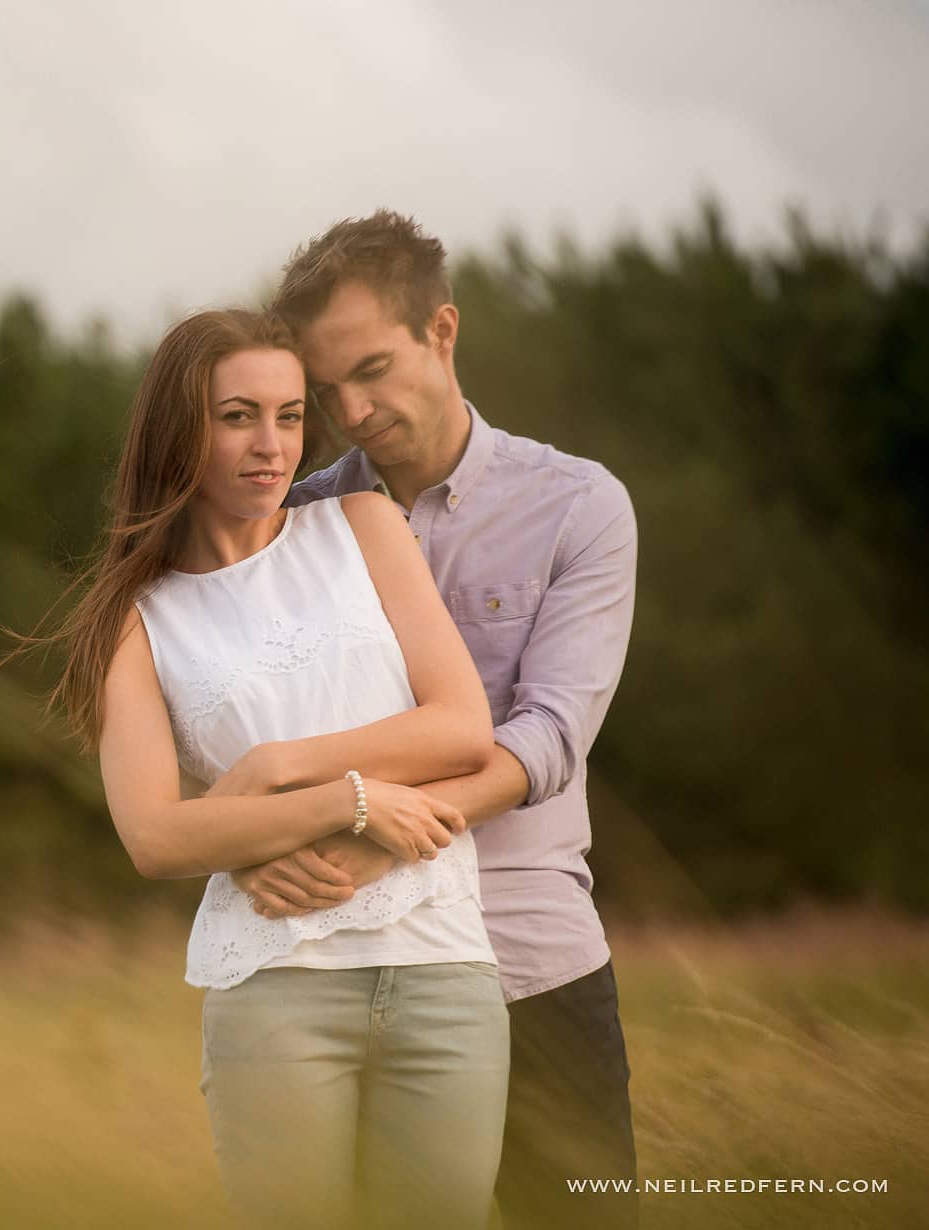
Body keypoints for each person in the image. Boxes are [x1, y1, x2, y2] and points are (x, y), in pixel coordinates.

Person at [21, 307, 510, 1226]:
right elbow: (158, 837)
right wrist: (354, 799)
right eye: (237, 415)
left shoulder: (363, 526)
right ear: (180, 428)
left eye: (289, 417)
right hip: (276, 985)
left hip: (443, 970)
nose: (271, 445)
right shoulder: (133, 616)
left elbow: (461, 728)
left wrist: (278, 769)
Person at [233, 210, 640, 1229]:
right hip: (355, 972)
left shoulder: (578, 508)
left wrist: (388, 842)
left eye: (372, 369)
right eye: (326, 391)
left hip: (531, 962)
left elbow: (547, 736)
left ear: (441, 332)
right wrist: (247, 851)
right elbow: (240, 739)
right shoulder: (295, 528)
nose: (353, 409)